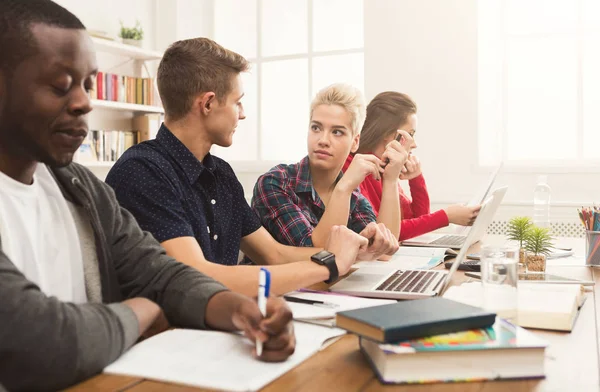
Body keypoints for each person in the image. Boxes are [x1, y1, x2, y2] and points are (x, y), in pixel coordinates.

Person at [0, 0, 310, 389]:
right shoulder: (140, 170)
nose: (83, 102)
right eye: (61, 86)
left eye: (88, 84)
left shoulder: (81, 189)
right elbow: (48, 343)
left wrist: (239, 310)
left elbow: (160, 273)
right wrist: (143, 310)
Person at [105, 39, 398, 298]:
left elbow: (274, 253)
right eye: (238, 102)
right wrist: (329, 264)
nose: (242, 114)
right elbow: (197, 278)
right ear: (208, 104)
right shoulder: (143, 172)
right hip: (166, 340)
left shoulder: (221, 175)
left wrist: (355, 254)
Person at [252, 83, 411, 250]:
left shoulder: (355, 199)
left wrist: (391, 179)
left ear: (355, 142)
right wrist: (344, 187)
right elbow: (317, 255)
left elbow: (383, 250)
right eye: (316, 128)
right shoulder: (275, 183)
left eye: (337, 132)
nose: (323, 140)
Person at [342, 91, 480, 241]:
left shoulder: (385, 166)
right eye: (410, 134)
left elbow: (417, 219)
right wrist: (446, 216)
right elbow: (387, 234)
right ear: (387, 134)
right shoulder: (355, 168)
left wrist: (416, 178)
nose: (414, 144)